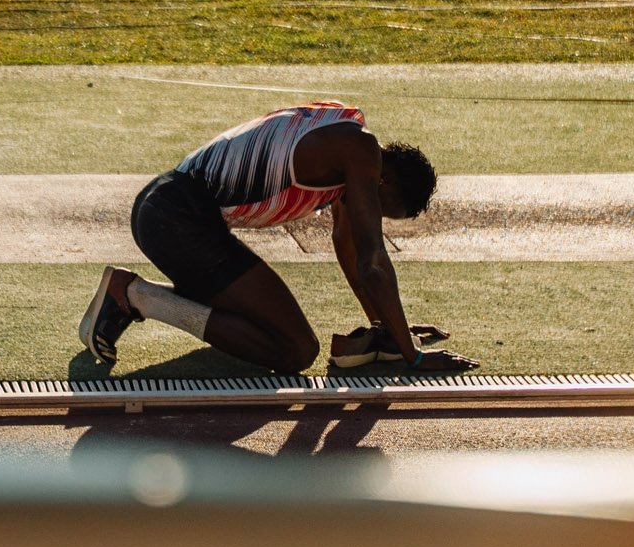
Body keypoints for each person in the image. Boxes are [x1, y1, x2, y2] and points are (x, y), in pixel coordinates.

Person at [78, 101, 477, 374]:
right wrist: (414, 357)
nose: (375, 216)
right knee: (295, 349)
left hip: (169, 210)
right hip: (178, 218)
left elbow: (352, 252)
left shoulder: (347, 142)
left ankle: (133, 296)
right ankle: (135, 296)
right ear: (384, 181)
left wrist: (388, 325)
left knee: (272, 328)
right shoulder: (359, 151)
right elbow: (373, 261)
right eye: (383, 209)